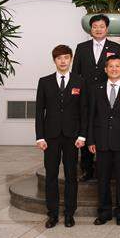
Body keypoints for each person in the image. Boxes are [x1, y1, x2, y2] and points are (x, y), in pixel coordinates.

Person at [35, 45, 88, 228]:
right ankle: (52, 214)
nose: (63, 61)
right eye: (59, 58)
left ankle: (69, 214)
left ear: (71, 59)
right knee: (51, 175)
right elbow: (39, 111)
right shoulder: (45, 82)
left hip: (72, 136)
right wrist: (40, 137)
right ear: (54, 60)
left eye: (66, 57)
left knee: (71, 175)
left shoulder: (80, 81)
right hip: (50, 136)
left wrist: (82, 135)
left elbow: (83, 111)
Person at [88, 55, 120, 226]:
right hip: (101, 141)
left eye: (117, 66)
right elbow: (91, 116)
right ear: (105, 69)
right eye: (111, 66)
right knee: (102, 179)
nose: (114, 69)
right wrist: (91, 140)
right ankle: (104, 212)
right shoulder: (96, 89)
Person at [72, 14, 120, 181]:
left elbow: (119, 72)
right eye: (95, 27)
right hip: (86, 96)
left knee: (107, 128)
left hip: (107, 96)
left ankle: (110, 168)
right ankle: (86, 169)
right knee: (86, 128)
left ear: (107, 29)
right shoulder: (81, 48)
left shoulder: (116, 47)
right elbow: (76, 73)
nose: (98, 29)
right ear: (90, 29)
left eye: (102, 26)